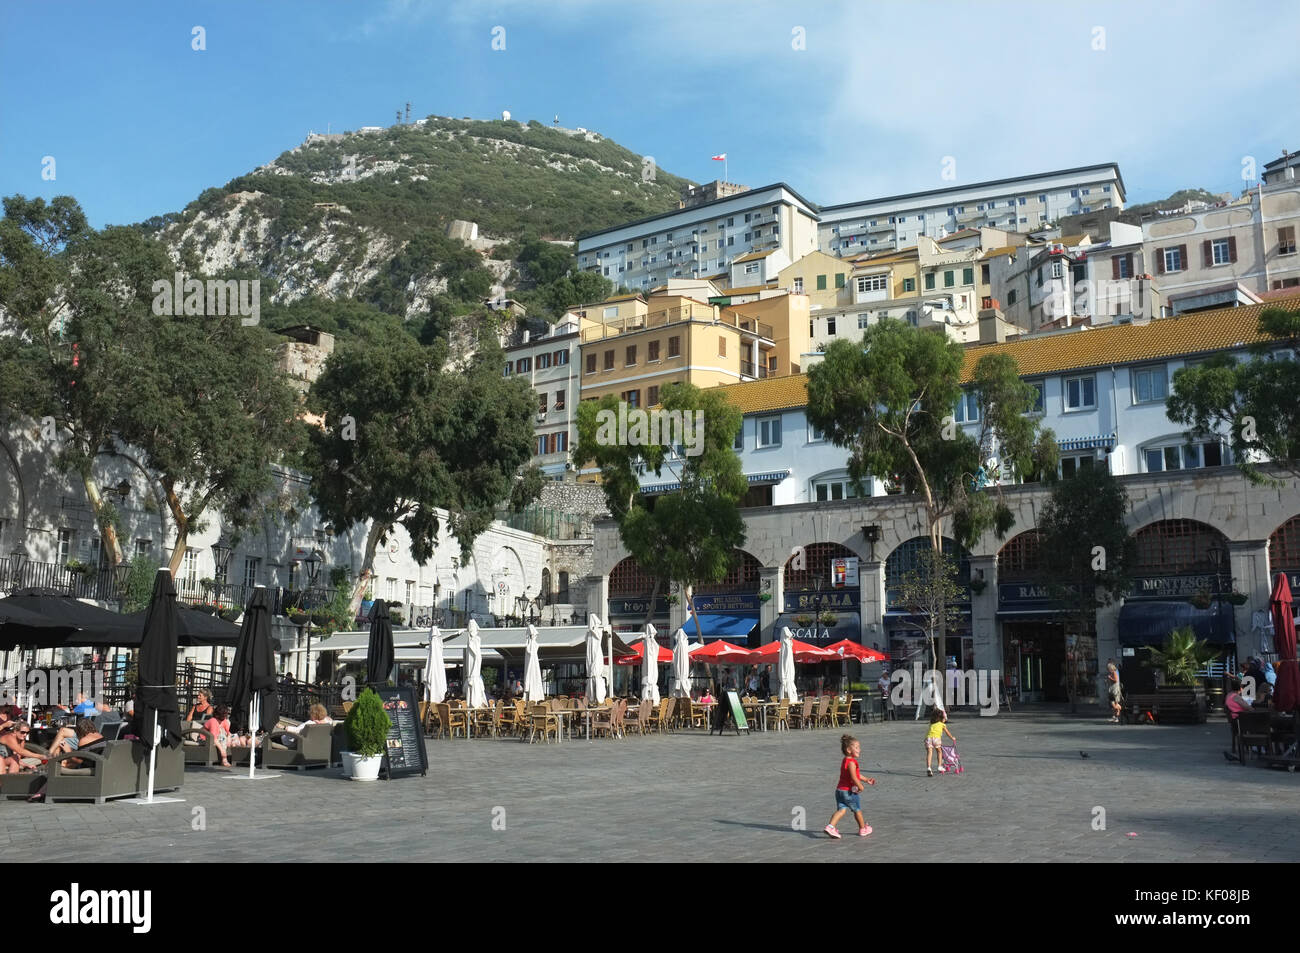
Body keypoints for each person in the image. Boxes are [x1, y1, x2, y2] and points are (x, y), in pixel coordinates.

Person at [824, 734, 875, 839]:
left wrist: (866, 779)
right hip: (849, 792)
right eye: (856, 747)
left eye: (859, 747)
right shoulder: (852, 762)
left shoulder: (845, 760)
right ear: (848, 749)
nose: (859, 749)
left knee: (841, 810)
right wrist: (861, 787)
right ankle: (863, 829)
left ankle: (830, 826)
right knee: (857, 810)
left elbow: (855, 775)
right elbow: (854, 777)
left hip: (839, 791)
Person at [924, 708, 956, 777]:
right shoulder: (942, 724)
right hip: (936, 739)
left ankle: (929, 768)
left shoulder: (931, 723)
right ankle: (939, 766)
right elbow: (947, 733)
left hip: (928, 738)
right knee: (939, 752)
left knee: (929, 753)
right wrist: (952, 738)